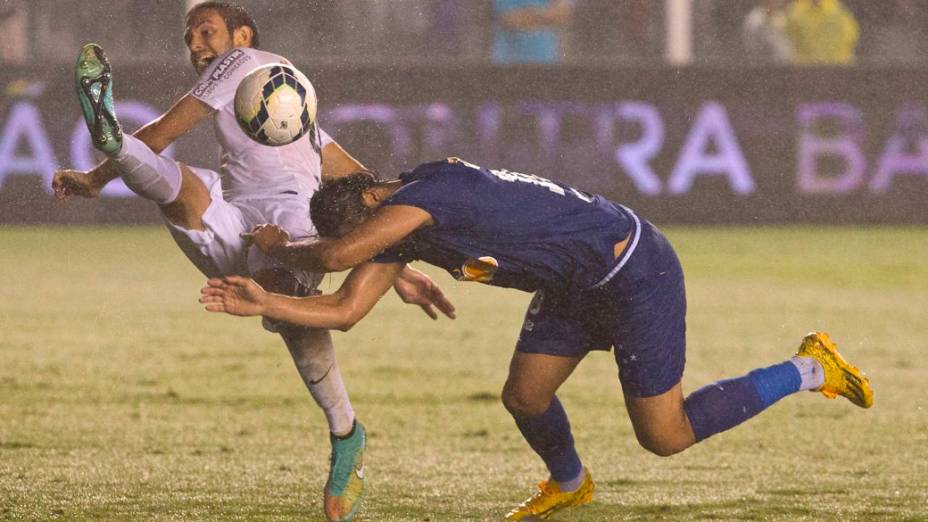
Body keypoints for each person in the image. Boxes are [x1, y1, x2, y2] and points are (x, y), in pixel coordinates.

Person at [199, 157, 875, 520]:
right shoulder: (403, 211)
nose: (374, 249)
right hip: (577, 283)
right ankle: (571, 483)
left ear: (374, 211)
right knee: (524, 396)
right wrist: (270, 301)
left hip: (633, 268)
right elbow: (347, 311)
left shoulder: (421, 206)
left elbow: (342, 262)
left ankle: (809, 367)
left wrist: (285, 249)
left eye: (364, 236)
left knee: (663, 436)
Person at [51, 3, 454, 521]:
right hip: (235, 206)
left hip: (292, 226)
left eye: (207, 31)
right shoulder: (283, 101)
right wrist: (396, 263)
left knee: (278, 301)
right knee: (181, 191)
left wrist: (93, 178)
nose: (195, 44)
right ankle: (111, 138)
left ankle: (346, 432)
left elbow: (163, 130)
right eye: (188, 36)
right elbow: (356, 181)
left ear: (242, 35)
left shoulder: (243, 62)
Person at [492, 0, 574, 64]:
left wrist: (530, 14)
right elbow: (511, 19)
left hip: (547, 61)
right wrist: (548, 15)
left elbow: (562, 15)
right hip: (509, 62)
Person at [785, 0, 859, 65]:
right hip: (834, 68)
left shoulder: (794, 12)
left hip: (831, 68)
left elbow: (850, 38)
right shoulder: (839, 12)